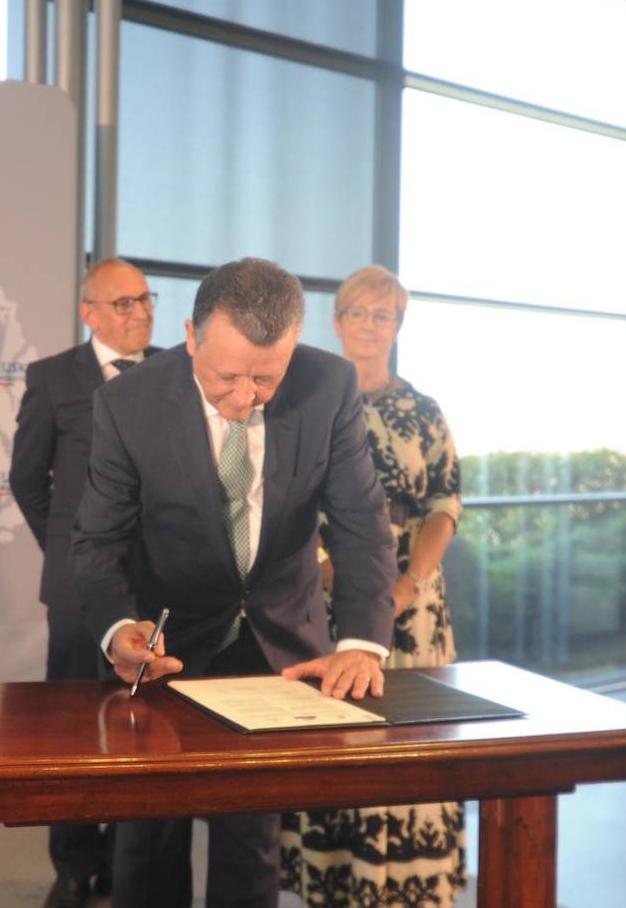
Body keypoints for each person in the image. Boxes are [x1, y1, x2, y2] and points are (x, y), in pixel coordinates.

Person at [71, 257, 398, 908]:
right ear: (191, 335)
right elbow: (98, 541)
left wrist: (362, 640)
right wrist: (116, 629)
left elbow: (362, 525)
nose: (245, 398)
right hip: (168, 637)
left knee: (253, 842)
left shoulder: (328, 385)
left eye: (265, 378)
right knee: (149, 835)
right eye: (226, 376)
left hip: (277, 640)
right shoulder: (127, 403)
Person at [280, 265, 465, 908]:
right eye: (357, 312)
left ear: (398, 326)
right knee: (335, 739)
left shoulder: (424, 409)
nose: (368, 324)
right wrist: (329, 566)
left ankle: (405, 885)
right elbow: (284, 499)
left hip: (412, 606)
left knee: (413, 744)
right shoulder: (305, 402)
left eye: (382, 314)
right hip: (323, 599)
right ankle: (335, 879)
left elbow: (445, 502)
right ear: (336, 322)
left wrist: (410, 580)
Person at [10, 257, 159, 908]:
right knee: (72, 726)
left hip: (152, 583)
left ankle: (132, 863)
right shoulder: (52, 379)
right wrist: (68, 555)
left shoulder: (175, 373)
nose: (139, 313)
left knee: (142, 726)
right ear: (89, 312)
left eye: (145, 300)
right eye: (122, 304)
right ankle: (74, 865)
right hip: (76, 590)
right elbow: (26, 478)